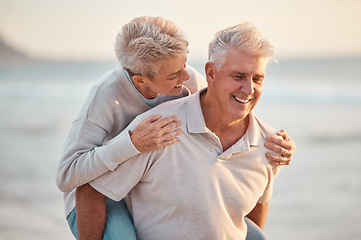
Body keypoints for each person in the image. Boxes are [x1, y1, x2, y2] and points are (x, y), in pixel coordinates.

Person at [56, 17, 295, 239]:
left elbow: (228, 103)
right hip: (99, 186)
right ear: (142, 80)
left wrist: (263, 137)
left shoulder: (188, 78)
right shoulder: (108, 97)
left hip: (136, 176)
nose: (186, 75)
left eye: (185, 65)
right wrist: (130, 144)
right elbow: (71, 178)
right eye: (173, 75)